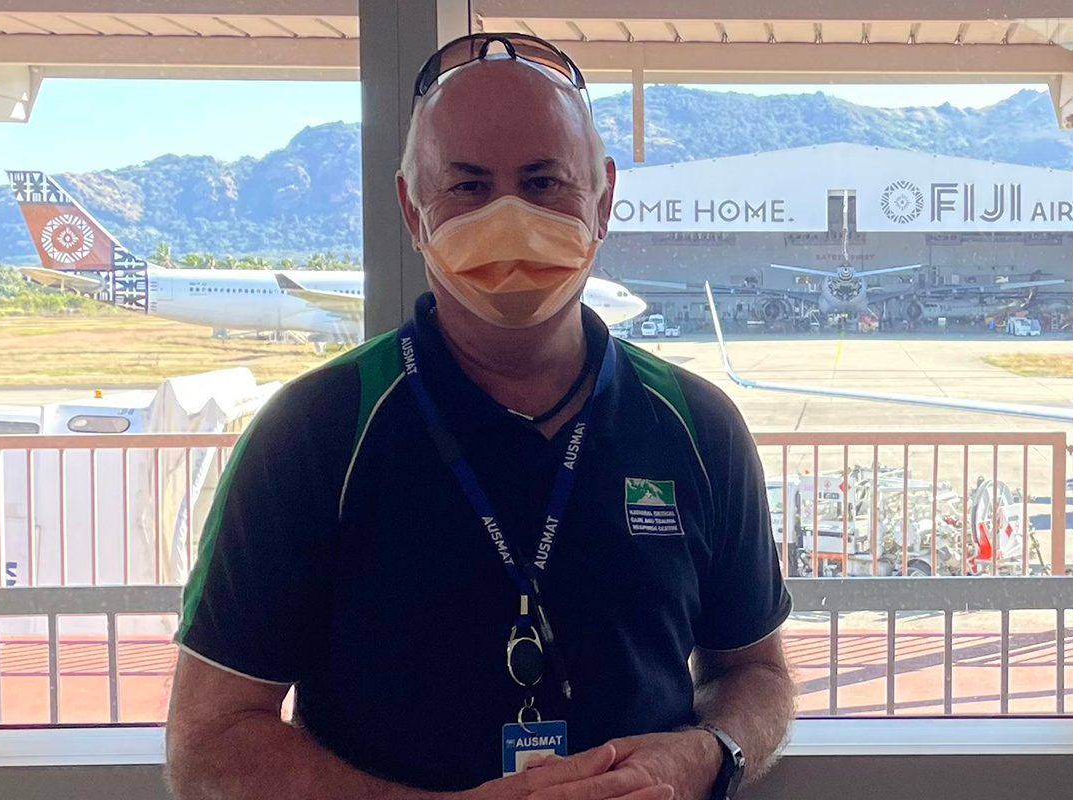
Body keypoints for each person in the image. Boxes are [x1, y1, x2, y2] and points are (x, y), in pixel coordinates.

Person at [166, 33, 795, 800]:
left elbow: (757, 672)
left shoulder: (697, 428)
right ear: (411, 208)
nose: (509, 219)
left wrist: (706, 754)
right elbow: (208, 741)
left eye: (543, 182)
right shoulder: (314, 432)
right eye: (467, 187)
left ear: (602, 198)